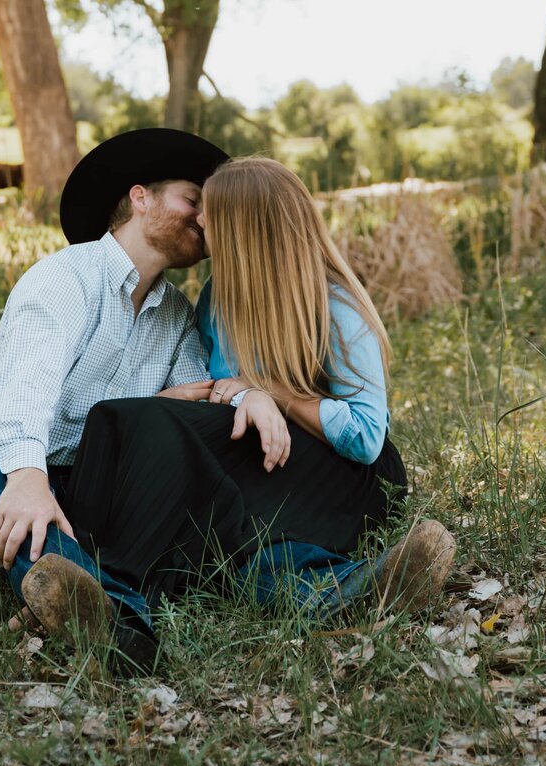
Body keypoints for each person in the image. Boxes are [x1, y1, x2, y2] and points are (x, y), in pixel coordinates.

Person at [58, 157, 455, 623]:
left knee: (169, 448)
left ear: (247, 226)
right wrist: (240, 399)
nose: (199, 218)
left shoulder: (332, 303)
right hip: (265, 463)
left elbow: (367, 439)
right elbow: (219, 397)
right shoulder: (215, 301)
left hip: (347, 476)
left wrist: (274, 393)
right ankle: (343, 590)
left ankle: (112, 589)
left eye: (212, 210)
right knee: (130, 427)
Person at [0, 127, 232, 668]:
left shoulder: (176, 316)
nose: (202, 218)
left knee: (209, 514)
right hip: (11, 480)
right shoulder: (64, 278)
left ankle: (343, 585)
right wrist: (30, 478)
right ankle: (122, 628)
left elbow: (198, 411)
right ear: (140, 196)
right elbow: (29, 385)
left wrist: (226, 399)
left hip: (104, 495)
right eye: (192, 200)